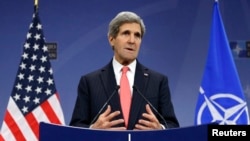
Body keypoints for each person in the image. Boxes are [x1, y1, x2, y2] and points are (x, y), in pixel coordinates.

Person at [69, 11, 179, 130]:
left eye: (137, 35)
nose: (132, 40)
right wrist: (93, 129)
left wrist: (160, 129)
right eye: (126, 33)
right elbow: (75, 128)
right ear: (111, 39)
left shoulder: (158, 81)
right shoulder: (89, 82)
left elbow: (173, 126)